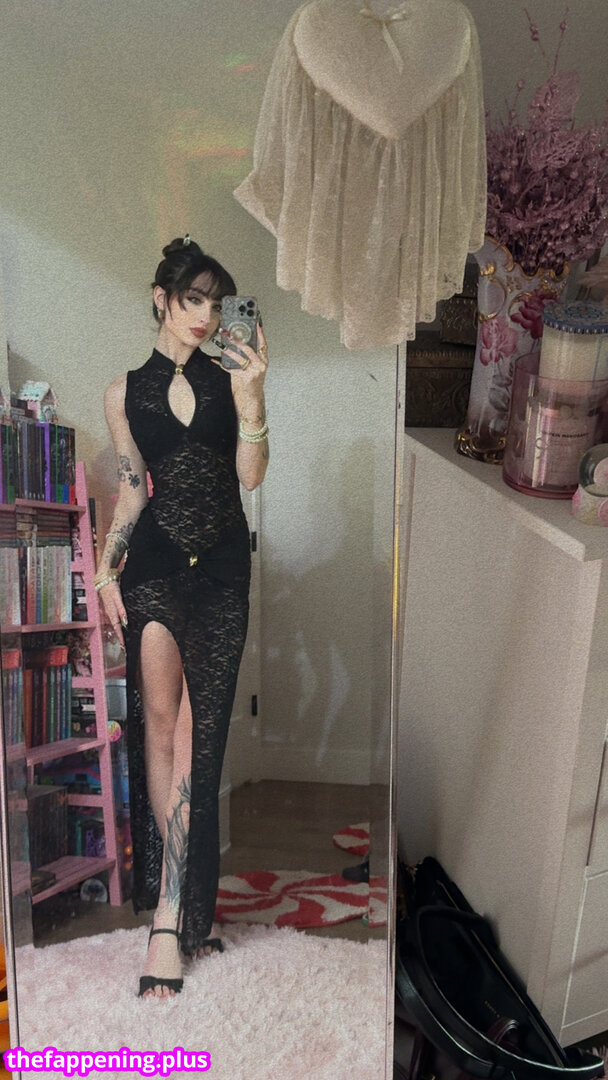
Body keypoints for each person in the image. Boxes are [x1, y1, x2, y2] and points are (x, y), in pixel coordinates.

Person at [95, 236, 269, 998]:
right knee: (161, 730)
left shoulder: (232, 376)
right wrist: (106, 567)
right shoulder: (122, 392)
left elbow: (250, 476)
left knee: (201, 737)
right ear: (162, 299)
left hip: (223, 571)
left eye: (216, 303)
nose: (205, 316)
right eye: (193, 299)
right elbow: (134, 491)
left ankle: (175, 915)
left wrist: (254, 398)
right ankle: (176, 912)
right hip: (156, 568)